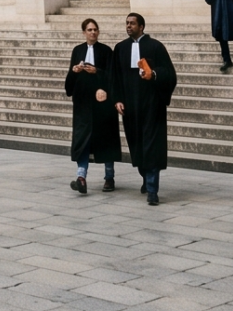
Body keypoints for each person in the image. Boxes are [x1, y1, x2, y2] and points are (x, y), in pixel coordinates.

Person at [113, 13, 177, 205]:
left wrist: (153, 74)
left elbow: (169, 73)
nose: (128, 26)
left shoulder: (155, 46)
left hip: (151, 105)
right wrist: (117, 99)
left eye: (132, 23)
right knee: (137, 144)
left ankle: (152, 189)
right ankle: (145, 176)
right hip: (130, 106)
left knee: (151, 145)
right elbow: (115, 76)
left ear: (141, 27)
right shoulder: (120, 48)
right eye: (127, 23)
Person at [62, 18, 119, 194]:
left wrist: (97, 72)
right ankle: (81, 178)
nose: (93, 32)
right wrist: (75, 71)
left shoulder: (106, 51)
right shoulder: (78, 50)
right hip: (83, 103)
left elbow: (113, 76)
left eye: (95, 29)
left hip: (102, 103)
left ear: (98, 32)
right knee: (82, 139)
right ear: (84, 33)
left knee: (106, 138)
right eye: (89, 30)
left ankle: (109, 177)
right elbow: (69, 84)